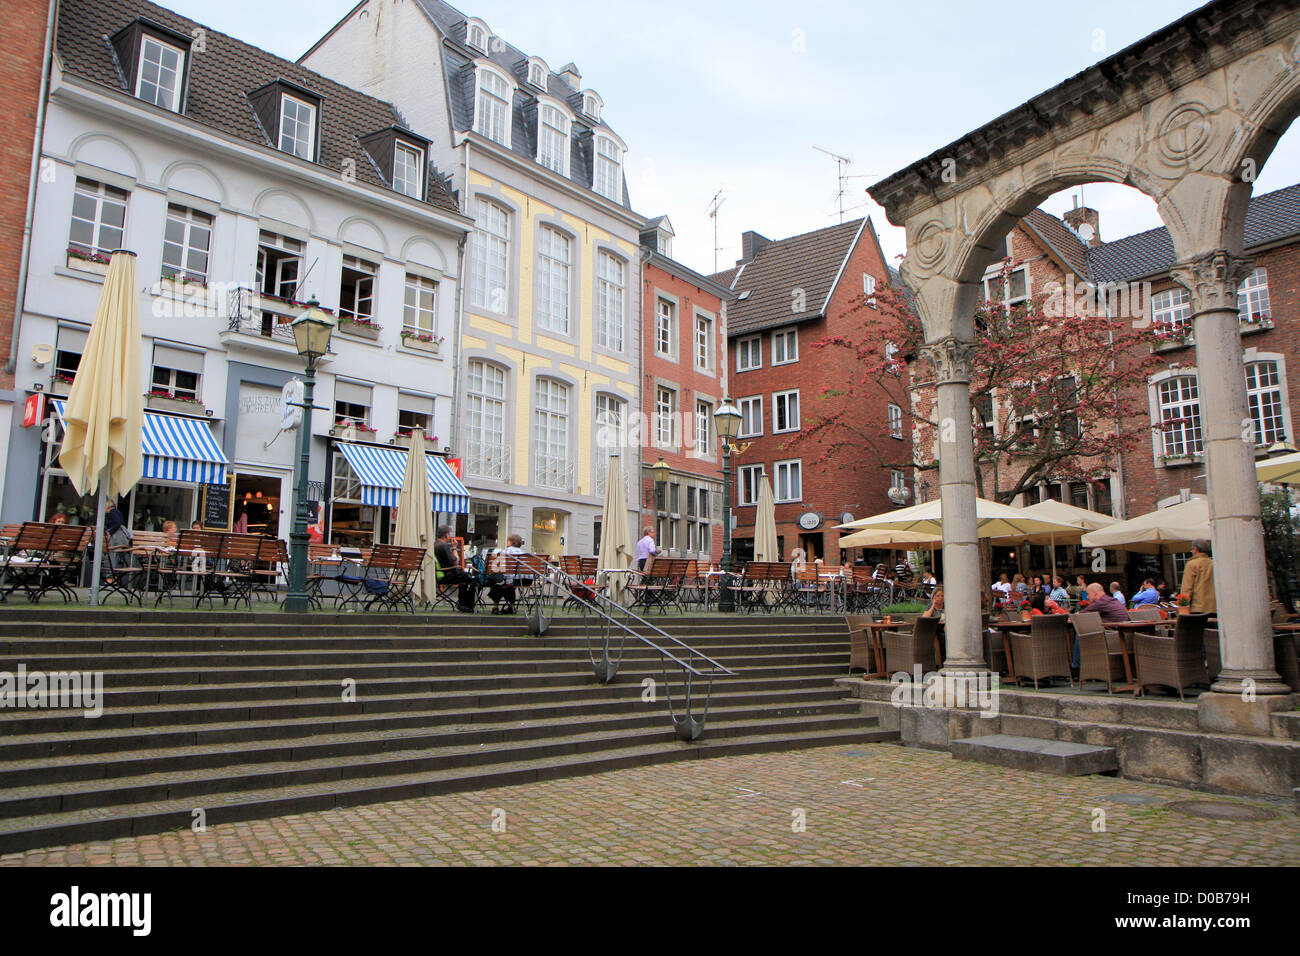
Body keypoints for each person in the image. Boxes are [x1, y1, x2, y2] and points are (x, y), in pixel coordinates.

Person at [434, 525, 478, 613]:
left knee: (464, 578)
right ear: (446, 535)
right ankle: (466, 605)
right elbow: (455, 561)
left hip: (441, 573)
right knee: (471, 578)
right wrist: (454, 547)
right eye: (449, 534)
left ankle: (463, 603)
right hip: (448, 574)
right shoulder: (444, 546)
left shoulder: (435, 544)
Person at [488, 533, 526, 614]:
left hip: (508, 579)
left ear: (510, 542)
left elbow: (495, 567)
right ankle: (511, 606)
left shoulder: (504, 552)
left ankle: (496, 606)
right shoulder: (524, 553)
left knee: (500, 581)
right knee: (506, 583)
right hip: (524, 580)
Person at [1181, 539, 1215, 614]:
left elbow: (1187, 588)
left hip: (1198, 607)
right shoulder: (1213, 563)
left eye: (1192, 549)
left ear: (1195, 549)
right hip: (1214, 606)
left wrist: (1183, 605)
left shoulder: (1192, 564)